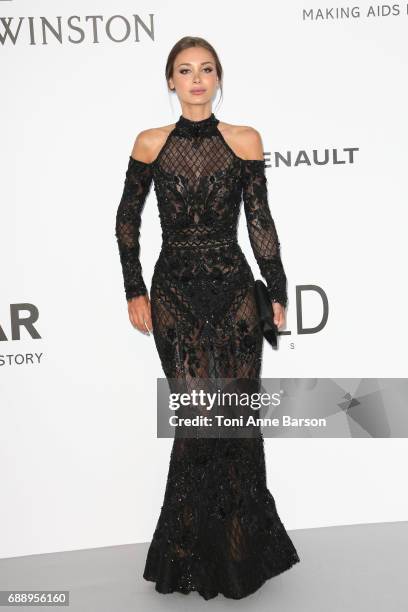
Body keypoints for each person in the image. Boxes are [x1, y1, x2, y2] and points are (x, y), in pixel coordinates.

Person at [115, 36, 300, 600]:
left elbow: (260, 221)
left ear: (218, 79)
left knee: (237, 419)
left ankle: (241, 553)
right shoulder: (150, 143)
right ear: (170, 81)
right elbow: (126, 223)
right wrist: (135, 289)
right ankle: (187, 555)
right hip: (174, 296)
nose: (197, 79)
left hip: (234, 293)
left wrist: (276, 288)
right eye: (185, 70)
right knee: (199, 421)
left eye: (207, 69)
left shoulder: (245, 140)